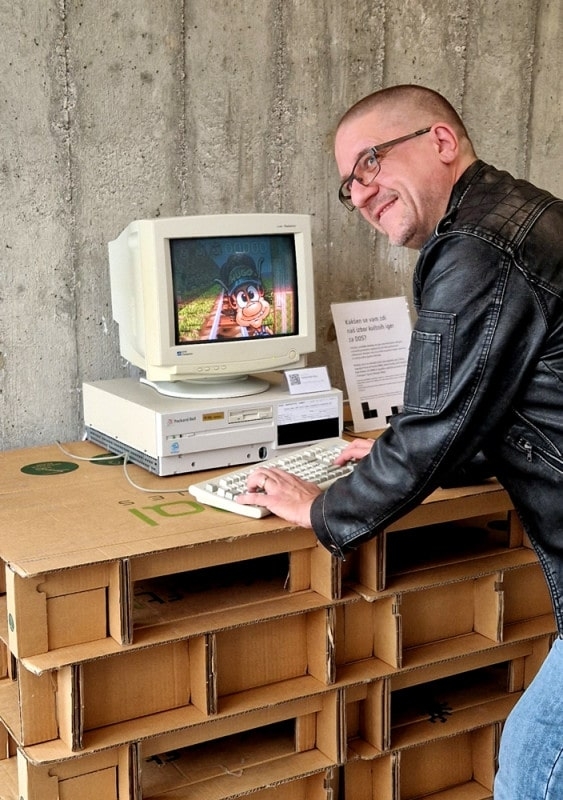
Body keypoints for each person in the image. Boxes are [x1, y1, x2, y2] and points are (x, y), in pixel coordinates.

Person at [236, 84, 563, 797]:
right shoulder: (521, 217)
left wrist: (321, 509)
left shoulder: (479, 247)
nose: (358, 194)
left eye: (370, 161)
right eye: (347, 184)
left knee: (532, 766)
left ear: (440, 142)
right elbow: (499, 408)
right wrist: (396, 448)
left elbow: (432, 431)